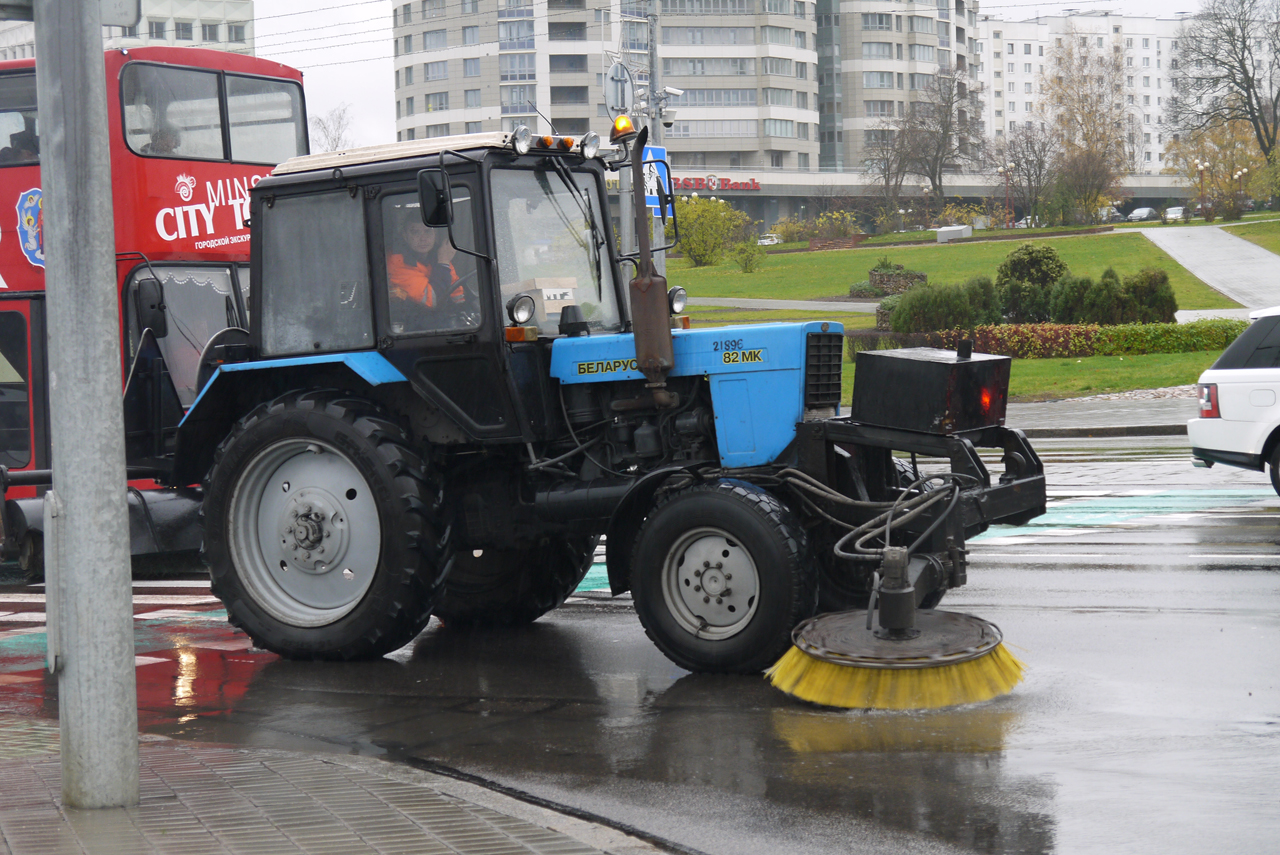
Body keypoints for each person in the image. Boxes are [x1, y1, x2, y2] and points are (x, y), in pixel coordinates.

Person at [386, 215, 466, 314]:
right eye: (415, 232)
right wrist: (443, 261)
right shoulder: (396, 262)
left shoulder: (437, 254)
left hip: (437, 317)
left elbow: (456, 291)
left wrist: (464, 308)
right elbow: (433, 301)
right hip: (411, 319)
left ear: (434, 234)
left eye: (428, 231)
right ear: (405, 236)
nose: (423, 238)